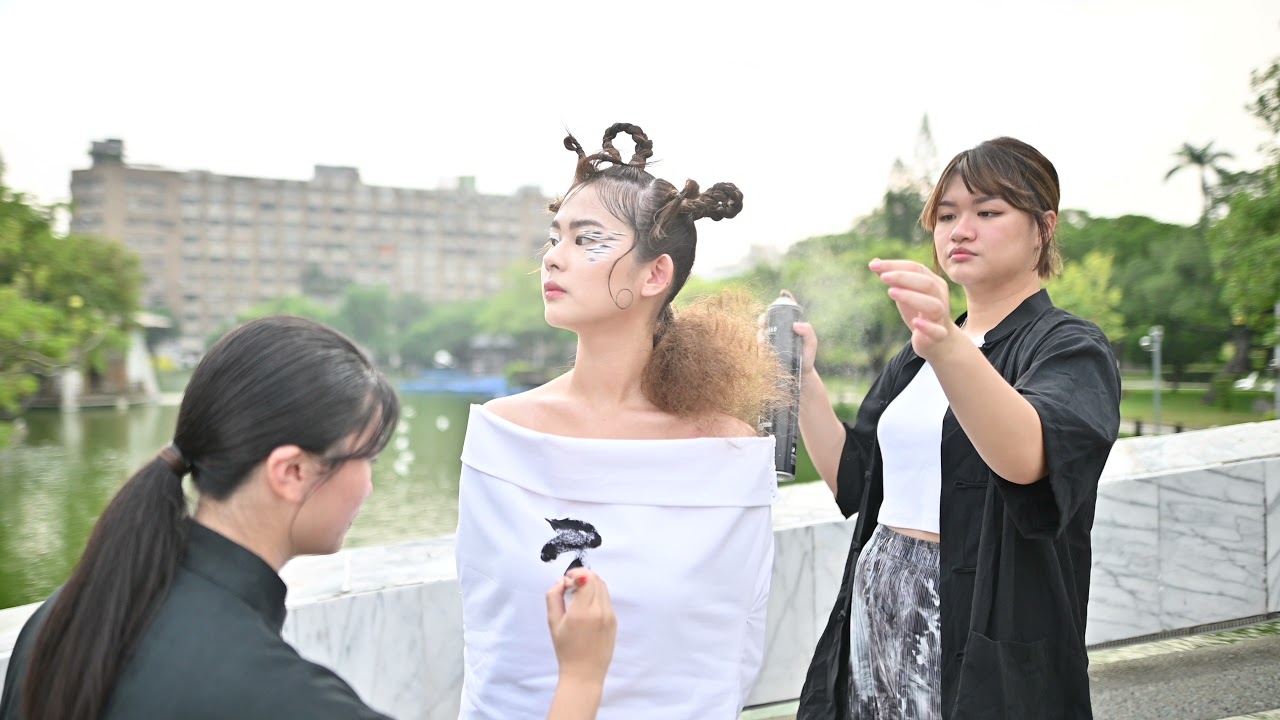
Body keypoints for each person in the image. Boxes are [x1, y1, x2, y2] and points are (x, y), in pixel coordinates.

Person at [0, 316, 617, 720]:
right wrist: (582, 677)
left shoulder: (68, 615)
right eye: (364, 458)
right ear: (291, 471)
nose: (370, 485)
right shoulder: (281, 696)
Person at [455, 123, 783, 719]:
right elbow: (489, 642)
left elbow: (727, 652)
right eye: (555, 237)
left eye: (587, 239)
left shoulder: (728, 452)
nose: (552, 257)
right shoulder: (502, 434)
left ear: (655, 275)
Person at [794, 138, 1121, 719]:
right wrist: (802, 378)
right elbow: (854, 477)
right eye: (946, 216)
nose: (960, 231)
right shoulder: (918, 352)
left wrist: (945, 342)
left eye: (988, 212)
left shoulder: (1069, 346)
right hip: (880, 602)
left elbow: (1027, 458)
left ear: (1043, 228)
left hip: (978, 616)